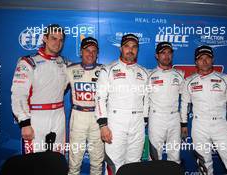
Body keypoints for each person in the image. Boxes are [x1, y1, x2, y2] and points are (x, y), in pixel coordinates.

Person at [180, 45, 227, 174]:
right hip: (199, 126)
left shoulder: (225, 78)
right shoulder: (188, 81)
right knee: (204, 165)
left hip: (221, 125)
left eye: (207, 58)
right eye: (201, 58)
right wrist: (183, 124)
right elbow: (184, 104)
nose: (204, 61)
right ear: (196, 61)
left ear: (213, 60)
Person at [95, 34, 149, 174]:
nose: (130, 50)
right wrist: (103, 125)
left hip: (137, 124)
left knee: (134, 165)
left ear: (137, 50)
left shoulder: (144, 73)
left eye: (134, 47)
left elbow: (147, 100)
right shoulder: (108, 69)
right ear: (121, 48)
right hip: (116, 122)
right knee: (114, 164)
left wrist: (144, 121)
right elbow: (100, 98)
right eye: (127, 46)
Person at [11, 24, 68, 154]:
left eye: (61, 40)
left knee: (57, 160)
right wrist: (25, 123)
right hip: (36, 118)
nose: (57, 43)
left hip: (58, 116)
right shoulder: (28, 62)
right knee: (34, 162)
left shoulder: (64, 63)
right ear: (44, 38)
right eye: (53, 38)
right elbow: (18, 94)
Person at [67, 37, 104, 175]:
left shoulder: (104, 70)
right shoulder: (70, 69)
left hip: (98, 117)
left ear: (97, 53)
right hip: (78, 116)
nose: (90, 54)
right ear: (81, 52)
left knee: (97, 161)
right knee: (74, 160)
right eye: (87, 50)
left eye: (94, 51)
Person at [148, 42, 184, 163]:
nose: (166, 56)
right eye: (163, 53)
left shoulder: (180, 75)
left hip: (174, 117)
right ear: (156, 56)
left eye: (169, 52)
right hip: (156, 117)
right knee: (154, 156)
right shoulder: (149, 75)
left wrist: (183, 122)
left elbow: (186, 99)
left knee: (175, 155)